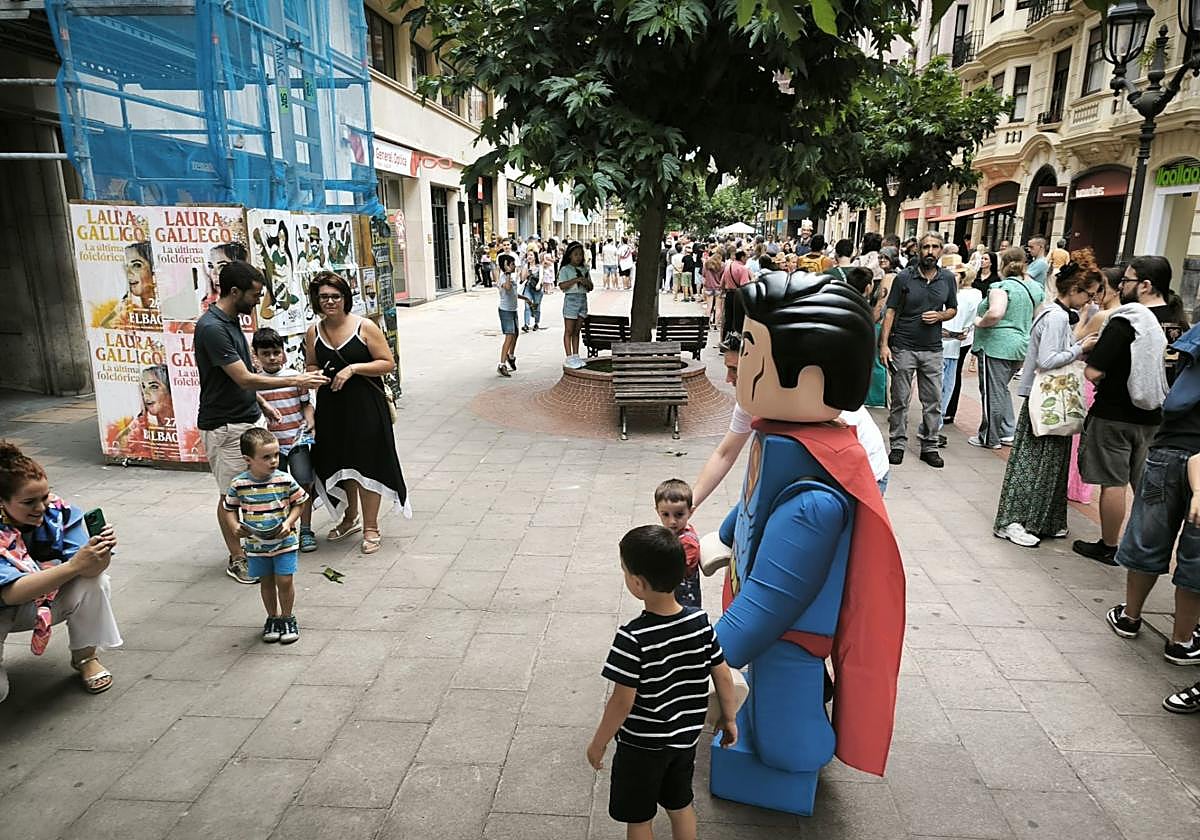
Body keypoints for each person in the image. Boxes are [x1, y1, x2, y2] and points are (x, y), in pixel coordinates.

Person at [701, 272, 903, 815]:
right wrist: (725, 536)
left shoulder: (816, 499)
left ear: (809, 372)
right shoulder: (783, 439)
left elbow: (773, 599)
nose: (738, 362)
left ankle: (806, 751)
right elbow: (753, 501)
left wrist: (707, 657)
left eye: (748, 348)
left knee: (785, 736)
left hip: (790, 635)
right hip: (767, 619)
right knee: (760, 700)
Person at [587, 525, 739, 840]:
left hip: (641, 747)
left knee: (640, 818)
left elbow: (621, 701)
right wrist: (730, 717)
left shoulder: (632, 638)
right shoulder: (700, 623)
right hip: (684, 741)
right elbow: (723, 674)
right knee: (680, 804)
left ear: (638, 583)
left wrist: (599, 742)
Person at [195, 260, 327, 584]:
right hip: (225, 427)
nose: (258, 301)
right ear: (235, 291)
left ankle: (257, 547)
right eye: (255, 294)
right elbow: (243, 378)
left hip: (247, 419)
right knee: (230, 495)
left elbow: (239, 379)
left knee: (257, 487)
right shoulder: (212, 328)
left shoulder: (230, 322)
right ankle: (237, 557)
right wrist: (297, 380)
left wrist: (263, 404)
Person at [1073, 256, 1184, 564]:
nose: (1122, 287)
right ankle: (1146, 545)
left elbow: (1093, 372)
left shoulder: (1127, 320)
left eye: (1127, 280)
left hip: (1115, 414)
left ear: (1145, 285)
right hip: (1158, 417)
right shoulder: (1178, 319)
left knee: (1114, 483)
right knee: (1146, 485)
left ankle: (1109, 545)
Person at [1103, 322, 1200, 667]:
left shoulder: (1194, 337)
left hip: (1170, 447)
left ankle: (1130, 616)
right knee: (1197, 554)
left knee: (1149, 535)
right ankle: (1182, 640)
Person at [993, 256, 1102, 547]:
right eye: (1088, 294)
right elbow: (1048, 359)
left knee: (1048, 461)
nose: (1089, 301)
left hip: (1048, 398)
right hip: (1044, 398)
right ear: (1075, 289)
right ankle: (1013, 521)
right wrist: (1080, 347)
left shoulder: (1056, 312)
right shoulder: (1055, 316)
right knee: (1031, 462)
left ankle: (1043, 519)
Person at [0, 441, 121, 701]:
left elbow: (89, 572)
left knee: (96, 581)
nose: (41, 508)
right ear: (2, 503)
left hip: (39, 602)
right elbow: (9, 594)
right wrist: (74, 565)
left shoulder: (59, 512)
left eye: (44, 497)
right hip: (6, 606)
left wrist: (101, 552)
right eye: (29, 502)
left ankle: (86, 656)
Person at [304, 271, 409, 555]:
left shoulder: (364, 327)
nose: (329, 302)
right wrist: (314, 376)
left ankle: (371, 527)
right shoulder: (314, 331)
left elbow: (387, 362)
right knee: (342, 463)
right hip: (332, 407)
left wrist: (353, 368)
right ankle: (350, 517)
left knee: (368, 464)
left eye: (335, 296)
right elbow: (311, 364)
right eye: (324, 297)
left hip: (365, 407)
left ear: (345, 298)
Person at [880, 231, 958, 468]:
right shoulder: (904, 278)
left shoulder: (947, 279)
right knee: (900, 399)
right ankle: (898, 445)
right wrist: (884, 345)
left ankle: (930, 445)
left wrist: (941, 315)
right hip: (904, 346)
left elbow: (953, 308)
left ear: (941, 251)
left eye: (935, 247)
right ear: (918, 250)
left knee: (933, 400)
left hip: (933, 349)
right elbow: (890, 311)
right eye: (926, 247)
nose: (930, 252)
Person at [222, 428, 307, 644]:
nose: (273, 461)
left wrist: (289, 522)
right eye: (266, 457)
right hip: (256, 545)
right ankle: (273, 617)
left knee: (285, 580)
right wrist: (234, 526)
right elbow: (228, 508)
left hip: (285, 542)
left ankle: (288, 617)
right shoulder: (239, 484)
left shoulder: (284, 480)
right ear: (248, 460)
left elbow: (300, 502)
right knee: (266, 582)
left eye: (276, 455)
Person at [969, 247, 1043, 450]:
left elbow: (995, 313)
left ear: (1003, 264)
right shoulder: (1035, 288)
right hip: (1021, 345)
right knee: (1001, 390)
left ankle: (989, 437)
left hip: (996, 345)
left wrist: (979, 321)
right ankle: (1007, 431)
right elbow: (1039, 316)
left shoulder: (1001, 287)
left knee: (992, 392)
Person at [252, 327, 318, 553]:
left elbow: (306, 404)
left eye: (275, 352)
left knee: (303, 483)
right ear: (256, 355)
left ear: (283, 353)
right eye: (265, 353)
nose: (272, 357)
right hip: (271, 447)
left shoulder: (294, 377)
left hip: (297, 441)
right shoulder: (256, 383)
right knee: (275, 488)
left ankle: (306, 529)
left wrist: (310, 420)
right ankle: (282, 530)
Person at [1068, 264, 1124, 503]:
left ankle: (1074, 489)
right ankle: (1081, 490)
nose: (1095, 295)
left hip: (1088, 379)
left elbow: (1075, 339)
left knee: (1077, 439)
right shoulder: (1126, 315)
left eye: (1099, 289)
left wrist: (1082, 317)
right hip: (1108, 384)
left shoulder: (1103, 315)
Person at [938, 261, 981, 446]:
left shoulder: (966, 296)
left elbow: (967, 322)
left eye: (956, 273)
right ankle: (933, 426)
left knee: (945, 387)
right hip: (941, 348)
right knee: (939, 387)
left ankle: (934, 425)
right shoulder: (941, 293)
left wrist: (963, 331)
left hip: (952, 348)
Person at [654, 479, 702, 608]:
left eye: (679, 515)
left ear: (690, 512)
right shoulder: (674, 532)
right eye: (665, 515)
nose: (672, 521)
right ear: (657, 511)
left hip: (683, 598)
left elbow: (676, 570)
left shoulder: (687, 542)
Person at [558, 241, 592, 369]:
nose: (579, 257)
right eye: (576, 254)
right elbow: (562, 286)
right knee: (569, 330)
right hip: (571, 300)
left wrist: (585, 282)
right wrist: (576, 280)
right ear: (569, 256)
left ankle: (576, 355)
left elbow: (591, 287)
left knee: (577, 331)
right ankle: (569, 356)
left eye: (581, 254)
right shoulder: (565, 269)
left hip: (582, 299)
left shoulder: (585, 269)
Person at [494, 253, 521, 376]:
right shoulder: (503, 278)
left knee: (516, 334)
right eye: (512, 264)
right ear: (506, 266)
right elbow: (508, 288)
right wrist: (508, 273)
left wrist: (526, 299)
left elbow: (514, 293)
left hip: (513, 309)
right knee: (509, 336)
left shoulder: (510, 277)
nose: (514, 266)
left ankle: (511, 355)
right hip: (505, 311)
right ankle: (501, 364)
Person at [520, 251, 544, 332]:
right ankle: (526, 324)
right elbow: (523, 279)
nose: (529, 257)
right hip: (528, 288)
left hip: (537, 289)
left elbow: (541, 277)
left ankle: (536, 323)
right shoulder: (526, 266)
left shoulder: (539, 266)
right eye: (528, 255)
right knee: (527, 305)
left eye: (531, 255)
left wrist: (539, 284)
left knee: (536, 307)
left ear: (535, 257)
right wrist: (524, 269)